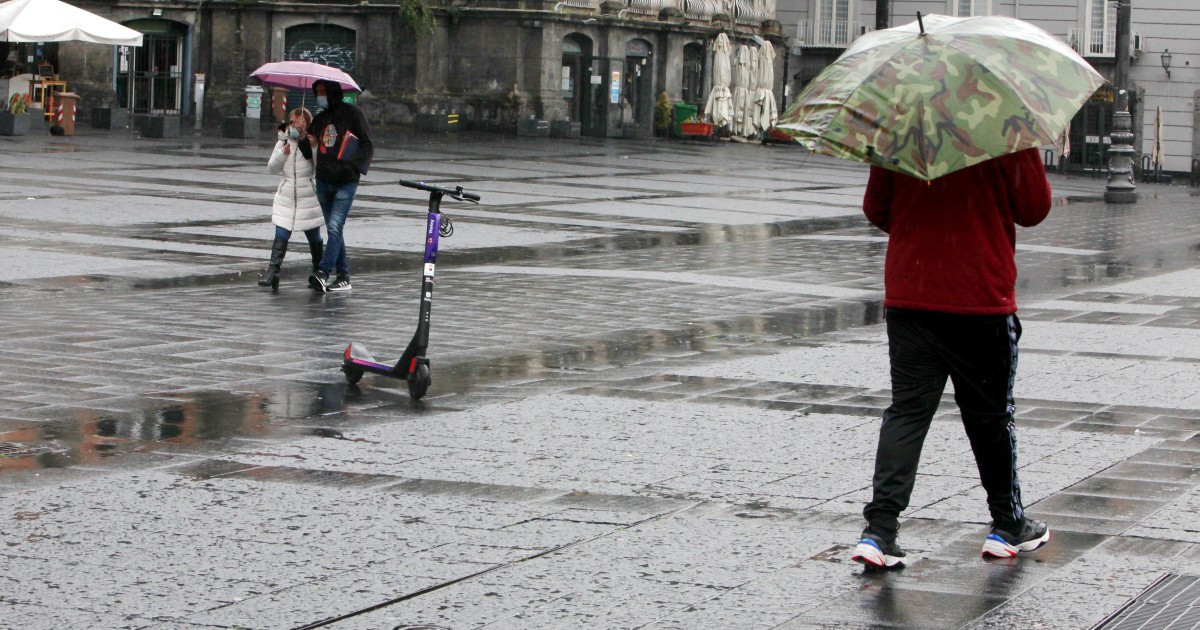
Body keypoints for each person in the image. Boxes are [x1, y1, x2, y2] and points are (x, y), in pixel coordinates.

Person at [850, 148, 1052, 570]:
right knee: (990, 417)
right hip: (979, 297)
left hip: (912, 291)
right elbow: (1034, 209)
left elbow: (876, 208)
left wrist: (923, 230)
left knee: (907, 413)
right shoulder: (1007, 127)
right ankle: (1008, 523)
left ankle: (880, 531)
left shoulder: (903, 124)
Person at [306, 79, 373, 293]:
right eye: (318, 92)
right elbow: (309, 150)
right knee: (335, 229)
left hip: (346, 181)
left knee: (335, 227)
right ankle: (343, 275)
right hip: (324, 180)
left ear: (334, 92)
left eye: (324, 92)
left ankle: (323, 272)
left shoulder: (353, 113)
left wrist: (351, 166)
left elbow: (367, 144)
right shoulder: (320, 119)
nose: (320, 96)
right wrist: (301, 136)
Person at [258, 107, 324, 290]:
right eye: (293, 122)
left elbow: (318, 167)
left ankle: (319, 270)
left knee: (314, 236)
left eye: (300, 123)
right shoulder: (284, 140)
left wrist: (312, 147)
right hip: (286, 194)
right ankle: (273, 272)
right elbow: (271, 168)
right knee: (281, 234)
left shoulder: (311, 141)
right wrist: (283, 153)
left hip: (307, 195)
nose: (295, 126)